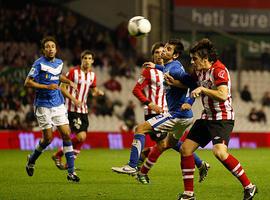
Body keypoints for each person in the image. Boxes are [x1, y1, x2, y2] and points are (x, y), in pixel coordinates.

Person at [172, 38, 257, 200]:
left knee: (219, 152)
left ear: (205, 59)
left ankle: (249, 186)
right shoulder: (198, 70)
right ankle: (189, 194)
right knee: (185, 149)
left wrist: (202, 89)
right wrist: (174, 82)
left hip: (222, 118)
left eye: (195, 58)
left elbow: (223, 95)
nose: (192, 61)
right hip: (207, 117)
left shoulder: (219, 70)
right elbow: (190, 84)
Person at [111, 39, 206, 182]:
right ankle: (200, 165)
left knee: (140, 129)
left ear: (175, 55)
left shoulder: (174, 69)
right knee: (170, 145)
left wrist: (189, 102)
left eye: (167, 49)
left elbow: (193, 84)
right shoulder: (169, 66)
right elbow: (169, 72)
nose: (163, 51)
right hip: (184, 116)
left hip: (176, 114)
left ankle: (132, 166)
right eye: (163, 48)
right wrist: (155, 66)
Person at [24, 36, 79, 182]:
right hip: (43, 105)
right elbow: (28, 83)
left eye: (53, 46)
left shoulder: (60, 62)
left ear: (56, 49)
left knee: (66, 134)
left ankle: (71, 172)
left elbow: (58, 76)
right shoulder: (38, 64)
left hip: (58, 104)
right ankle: (32, 159)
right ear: (43, 50)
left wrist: (69, 82)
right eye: (47, 46)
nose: (50, 49)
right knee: (48, 139)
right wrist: (46, 86)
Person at [52, 50, 104, 169]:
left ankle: (67, 162)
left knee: (82, 138)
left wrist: (98, 92)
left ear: (93, 61)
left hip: (83, 110)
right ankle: (59, 154)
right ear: (81, 59)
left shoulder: (92, 75)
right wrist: (74, 99)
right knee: (81, 137)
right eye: (85, 58)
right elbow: (62, 88)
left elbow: (93, 90)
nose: (87, 60)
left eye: (89, 58)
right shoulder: (73, 72)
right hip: (71, 109)